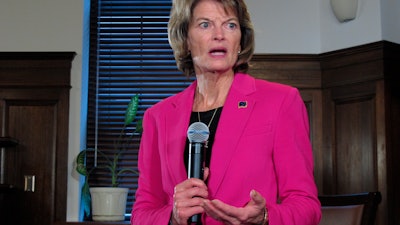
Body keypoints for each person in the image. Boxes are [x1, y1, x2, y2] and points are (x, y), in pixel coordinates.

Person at [131, 0, 321, 224]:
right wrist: (172, 217)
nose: (219, 35)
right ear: (186, 40)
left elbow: (306, 206)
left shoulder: (280, 101)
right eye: (205, 25)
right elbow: (142, 213)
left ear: (240, 41)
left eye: (230, 25)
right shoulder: (158, 116)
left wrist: (265, 217)